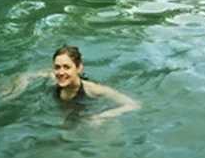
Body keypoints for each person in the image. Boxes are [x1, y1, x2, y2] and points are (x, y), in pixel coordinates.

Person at [8, 45, 140, 122]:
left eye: (66, 67)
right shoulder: (54, 78)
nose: (60, 72)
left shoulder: (94, 89)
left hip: (84, 113)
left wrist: (102, 116)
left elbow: (133, 105)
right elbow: (27, 75)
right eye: (57, 67)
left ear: (79, 68)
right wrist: (21, 84)